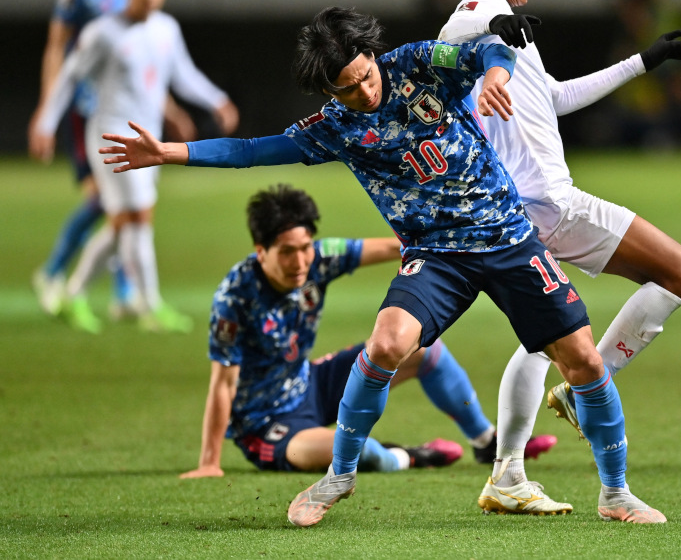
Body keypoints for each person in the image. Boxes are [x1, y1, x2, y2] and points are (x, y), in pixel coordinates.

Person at [98, 6, 664, 524]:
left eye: (366, 76)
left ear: (372, 55)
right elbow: (252, 150)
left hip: (508, 238)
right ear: (327, 90)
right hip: (436, 255)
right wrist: (169, 152)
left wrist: (496, 73)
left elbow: (489, 49)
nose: (365, 92)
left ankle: (615, 493)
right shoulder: (333, 127)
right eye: (347, 88)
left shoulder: (417, 63)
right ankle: (339, 476)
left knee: (583, 361)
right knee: (387, 344)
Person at [438, 0, 681, 516]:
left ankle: (517, 463)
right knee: (667, 278)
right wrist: (493, 28)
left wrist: (644, 60)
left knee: (554, 336)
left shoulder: (507, 26)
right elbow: (456, 30)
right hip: (536, 208)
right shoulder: (481, 13)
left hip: (541, 206)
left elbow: (554, 97)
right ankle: (563, 439)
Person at [180, 184, 550, 478]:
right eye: (287, 252)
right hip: (267, 426)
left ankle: (485, 441)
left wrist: (472, 242)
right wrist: (210, 462)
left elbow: (395, 246)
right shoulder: (235, 298)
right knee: (364, 451)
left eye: (305, 248)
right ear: (261, 251)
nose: (300, 261)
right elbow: (223, 384)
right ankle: (408, 456)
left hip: (309, 384)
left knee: (425, 350)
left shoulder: (319, 258)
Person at [27, 0, 216, 322]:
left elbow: (148, 67)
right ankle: (62, 276)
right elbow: (59, 50)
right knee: (111, 205)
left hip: (136, 115)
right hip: (91, 113)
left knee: (122, 211)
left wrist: (170, 108)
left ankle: (120, 294)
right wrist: (46, 110)